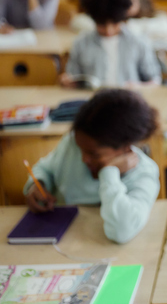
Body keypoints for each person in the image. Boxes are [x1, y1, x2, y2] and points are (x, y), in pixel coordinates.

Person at [23, 89, 160, 244]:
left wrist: (109, 173)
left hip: (106, 251)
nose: (83, 159)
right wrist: (38, 184)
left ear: (126, 148)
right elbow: (45, 168)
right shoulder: (73, 144)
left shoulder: (144, 173)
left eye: (94, 154)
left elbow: (121, 231)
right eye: (80, 149)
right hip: (58, 242)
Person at [61, 0, 161, 88]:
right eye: (102, 25)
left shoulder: (139, 42)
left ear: (122, 18)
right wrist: (67, 81)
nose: (109, 30)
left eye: (114, 24)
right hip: (91, 101)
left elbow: (155, 80)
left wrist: (139, 86)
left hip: (128, 101)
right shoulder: (81, 43)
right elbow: (72, 76)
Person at [70, 0, 167, 40]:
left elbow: (165, 25)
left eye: (132, 1)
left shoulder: (152, 16)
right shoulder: (110, 18)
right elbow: (77, 21)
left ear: (140, 0)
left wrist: (127, 27)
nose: (127, 6)